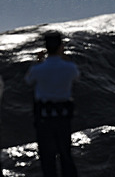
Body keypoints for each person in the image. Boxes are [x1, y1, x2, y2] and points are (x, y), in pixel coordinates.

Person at [25, 31, 81, 177]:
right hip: (63, 116)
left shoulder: (38, 69)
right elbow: (76, 77)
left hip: (44, 117)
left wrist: (38, 61)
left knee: (47, 158)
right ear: (61, 46)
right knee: (65, 155)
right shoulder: (69, 67)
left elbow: (28, 80)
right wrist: (65, 58)